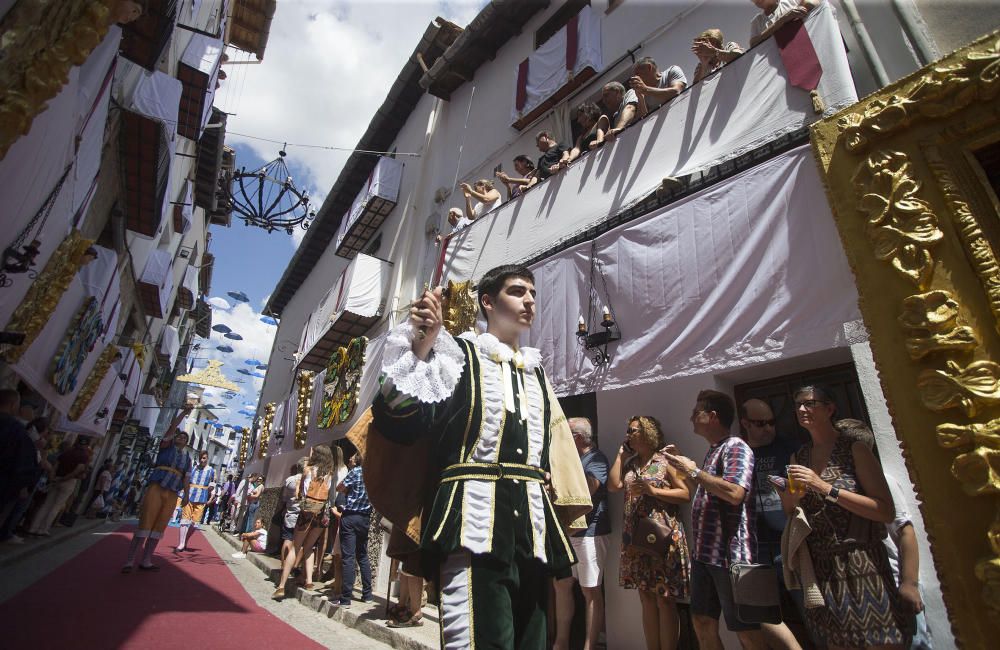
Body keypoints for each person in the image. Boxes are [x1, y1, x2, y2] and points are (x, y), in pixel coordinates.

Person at [370, 263, 591, 648]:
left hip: (533, 529)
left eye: (533, 294)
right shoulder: (458, 357)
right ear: (488, 301)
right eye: (518, 292)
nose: (530, 301)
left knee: (532, 640)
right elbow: (400, 418)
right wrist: (422, 345)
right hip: (474, 520)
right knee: (479, 639)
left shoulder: (535, 372)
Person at [777, 386, 905, 649]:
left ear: (830, 409)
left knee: (880, 642)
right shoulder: (799, 457)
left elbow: (884, 510)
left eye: (810, 403)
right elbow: (792, 512)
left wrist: (826, 488)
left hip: (863, 562)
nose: (802, 409)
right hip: (822, 568)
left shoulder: (855, 450)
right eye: (798, 405)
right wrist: (789, 496)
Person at [663, 390, 766, 650]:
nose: (690, 418)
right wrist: (688, 466)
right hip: (706, 555)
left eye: (696, 412)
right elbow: (712, 487)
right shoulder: (715, 450)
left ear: (712, 416)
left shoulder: (735, 446)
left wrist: (693, 471)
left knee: (746, 630)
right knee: (701, 621)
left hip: (730, 556)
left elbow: (734, 493)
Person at [836, 419, 932, 649]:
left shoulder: (884, 481)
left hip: (893, 580)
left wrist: (909, 583)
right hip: (860, 586)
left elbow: (904, 531)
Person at [610, 416, 691, 650]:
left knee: (665, 599)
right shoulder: (632, 463)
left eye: (632, 430)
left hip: (661, 536)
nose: (628, 434)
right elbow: (614, 485)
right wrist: (620, 456)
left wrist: (652, 490)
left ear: (647, 433)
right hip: (635, 537)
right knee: (645, 597)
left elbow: (685, 494)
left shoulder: (665, 460)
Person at [739, 399, 803, 649]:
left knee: (808, 608)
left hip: (790, 543)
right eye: (760, 423)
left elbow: (801, 491)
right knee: (760, 615)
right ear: (744, 423)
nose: (768, 428)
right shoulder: (740, 451)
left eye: (771, 422)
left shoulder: (789, 448)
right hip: (754, 546)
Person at [554, 417, 612, 650]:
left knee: (590, 590)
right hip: (567, 532)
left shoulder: (596, 459)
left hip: (591, 533)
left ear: (577, 437)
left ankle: (590, 646)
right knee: (562, 585)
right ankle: (561, 642)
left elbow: (589, 490)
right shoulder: (572, 460)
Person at [121, 407, 194, 573]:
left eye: (184, 437)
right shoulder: (166, 447)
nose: (181, 438)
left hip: (173, 492)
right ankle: (130, 560)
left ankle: (146, 559)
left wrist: (186, 495)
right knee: (145, 522)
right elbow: (171, 428)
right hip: (157, 487)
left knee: (160, 526)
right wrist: (183, 413)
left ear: (186, 443)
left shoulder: (187, 459)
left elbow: (186, 478)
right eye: (180, 436)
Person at [273, 445, 341, 599]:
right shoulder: (329, 474)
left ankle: (282, 585)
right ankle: (309, 581)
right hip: (321, 513)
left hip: (307, 511)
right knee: (310, 546)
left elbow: (302, 492)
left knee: (296, 547)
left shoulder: (308, 470)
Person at [28, 435, 91, 537]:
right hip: (68, 482)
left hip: (56, 479)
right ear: (87, 445)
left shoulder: (67, 452)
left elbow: (55, 466)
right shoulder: (84, 456)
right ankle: (43, 529)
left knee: (46, 504)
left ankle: (33, 528)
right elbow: (78, 470)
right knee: (56, 506)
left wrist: (53, 477)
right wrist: (65, 478)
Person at [336, 452, 373, 607]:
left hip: (350, 516)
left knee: (348, 557)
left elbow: (340, 488)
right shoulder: (373, 474)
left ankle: (345, 598)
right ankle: (367, 594)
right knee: (362, 555)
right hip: (365, 518)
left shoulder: (355, 472)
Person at [175, 450, 215, 552]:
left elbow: (213, 483)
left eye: (204, 458)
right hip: (190, 495)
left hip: (202, 497)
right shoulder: (193, 468)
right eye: (201, 458)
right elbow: (187, 480)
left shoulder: (211, 470)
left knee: (195, 523)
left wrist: (210, 490)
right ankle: (181, 543)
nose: (202, 460)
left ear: (207, 458)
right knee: (184, 519)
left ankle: (186, 540)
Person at [750, 0, 820, 48]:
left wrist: (792, 16)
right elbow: (753, 44)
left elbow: (814, 3)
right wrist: (783, 19)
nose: (757, 1)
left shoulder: (790, 1)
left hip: (809, 44)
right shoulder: (757, 21)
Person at [561, 102, 605, 168]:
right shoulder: (581, 137)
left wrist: (598, 141)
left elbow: (600, 133)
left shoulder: (601, 120)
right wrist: (568, 159)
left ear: (590, 112)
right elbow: (576, 149)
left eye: (580, 115)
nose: (578, 120)